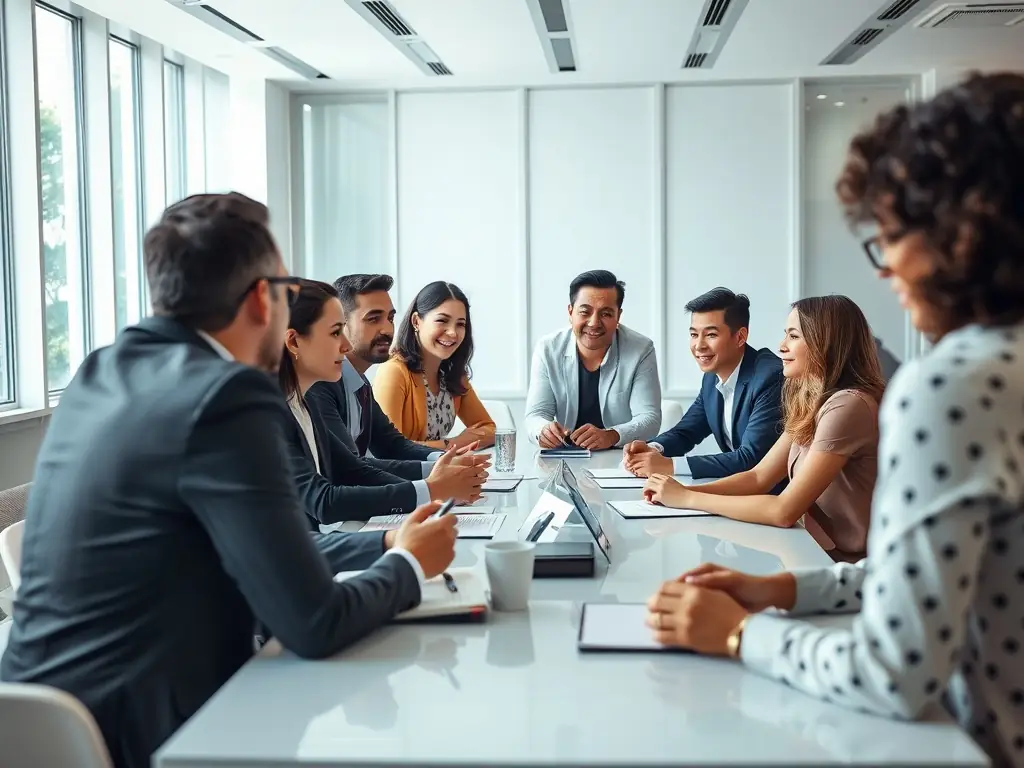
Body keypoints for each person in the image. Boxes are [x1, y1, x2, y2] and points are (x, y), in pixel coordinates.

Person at [644, 72, 1024, 768]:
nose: (887, 271)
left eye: (894, 237)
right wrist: (783, 587)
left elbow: (893, 673)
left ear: (965, 233)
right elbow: (933, 575)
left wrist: (737, 634)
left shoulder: (951, 387)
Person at [0, 193, 458, 768]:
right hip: (146, 734)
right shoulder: (228, 396)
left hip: (33, 727)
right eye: (289, 292)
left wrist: (382, 544)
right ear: (259, 303)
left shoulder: (98, 371)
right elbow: (314, 622)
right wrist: (409, 565)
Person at [644, 295, 884, 561]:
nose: (781, 346)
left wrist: (688, 500)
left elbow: (784, 511)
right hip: (812, 549)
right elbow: (759, 476)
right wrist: (683, 492)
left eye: (793, 336)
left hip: (851, 565)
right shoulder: (812, 399)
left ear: (825, 343)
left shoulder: (847, 406)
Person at [279, 279, 486, 525]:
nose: (388, 329)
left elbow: (358, 465)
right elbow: (326, 498)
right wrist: (431, 490)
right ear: (293, 342)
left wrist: (437, 480)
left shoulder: (330, 393)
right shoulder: (288, 406)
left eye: (389, 318)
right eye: (336, 332)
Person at [622, 288, 783, 479]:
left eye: (711, 335)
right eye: (693, 334)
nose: (699, 346)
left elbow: (750, 458)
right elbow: (686, 432)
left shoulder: (770, 377)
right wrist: (652, 448)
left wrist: (669, 465)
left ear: (740, 337)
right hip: (737, 490)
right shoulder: (711, 378)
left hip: (772, 496)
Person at [524, 270, 661, 451]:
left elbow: (649, 419)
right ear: (570, 312)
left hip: (621, 457)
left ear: (618, 316)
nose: (594, 323)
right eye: (585, 312)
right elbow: (536, 415)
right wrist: (542, 431)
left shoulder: (641, 349)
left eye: (606, 314)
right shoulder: (548, 348)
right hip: (565, 456)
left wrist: (612, 435)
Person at [373, 282, 496, 450]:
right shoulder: (394, 372)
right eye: (442, 321)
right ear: (416, 321)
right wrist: (452, 444)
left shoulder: (452, 374)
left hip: (439, 471)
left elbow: (489, 428)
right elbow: (389, 449)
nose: (453, 332)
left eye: (460, 324)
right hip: (407, 475)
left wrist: (449, 447)